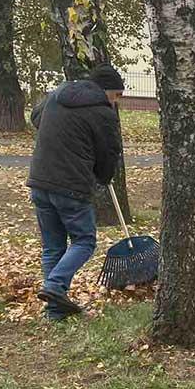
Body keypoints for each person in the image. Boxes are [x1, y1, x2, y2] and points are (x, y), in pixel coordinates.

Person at [27, 65, 124, 321]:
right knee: (84, 241)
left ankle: (54, 312)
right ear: (107, 91)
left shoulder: (57, 94)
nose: (116, 102)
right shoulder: (102, 112)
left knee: (53, 246)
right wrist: (104, 176)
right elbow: (109, 151)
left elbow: (36, 118)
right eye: (117, 95)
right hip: (70, 186)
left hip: (39, 180)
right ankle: (54, 286)